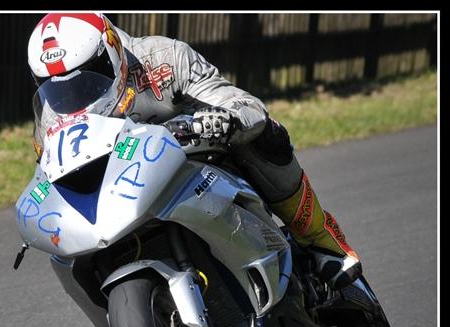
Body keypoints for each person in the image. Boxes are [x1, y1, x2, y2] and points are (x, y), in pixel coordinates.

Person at [27, 13, 361, 289]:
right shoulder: (52, 114)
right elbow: (51, 167)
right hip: (124, 197)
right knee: (64, 253)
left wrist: (221, 120)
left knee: (265, 135)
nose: (73, 95)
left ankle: (321, 240)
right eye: (58, 89)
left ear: (111, 53)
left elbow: (247, 107)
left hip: (197, 166)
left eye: (87, 78)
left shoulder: (165, 58)